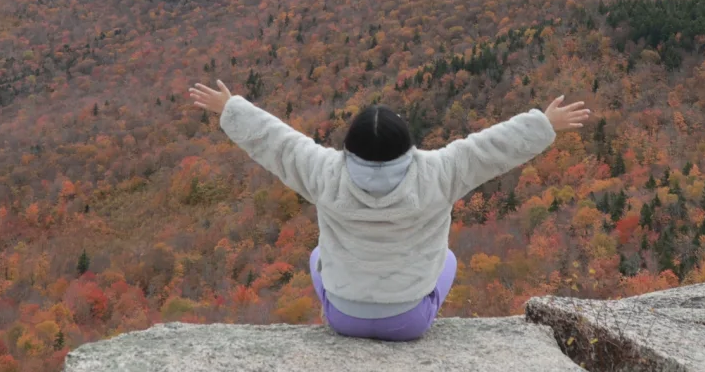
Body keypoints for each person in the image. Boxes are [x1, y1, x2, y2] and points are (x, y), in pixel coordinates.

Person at [187, 79, 589, 342]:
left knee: (316, 256)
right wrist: (545, 124)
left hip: (342, 316)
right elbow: (490, 148)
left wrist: (230, 108)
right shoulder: (439, 172)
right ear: (407, 145)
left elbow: (278, 142)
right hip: (409, 322)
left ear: (349, 147)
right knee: (447, 258)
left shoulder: (324, 173)